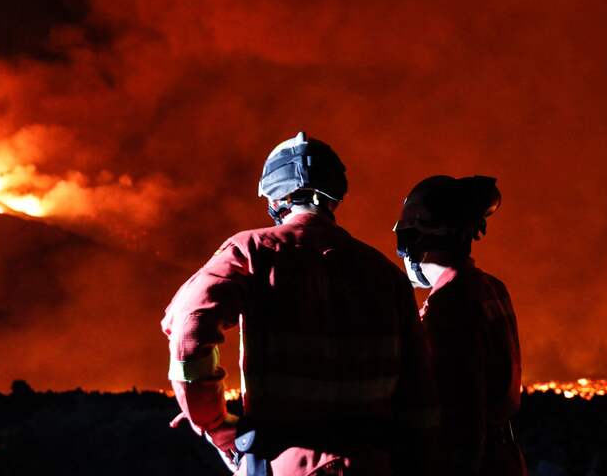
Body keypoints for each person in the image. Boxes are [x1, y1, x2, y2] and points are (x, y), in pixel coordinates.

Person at [162, 132, 437, 475]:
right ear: (336, 196)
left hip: (285, 462)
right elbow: (420, 399)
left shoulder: (250, 252)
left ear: (274, 198)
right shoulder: (387, 275)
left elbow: (190, 327)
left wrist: (213, 421)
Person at [393, 175, 526, 476]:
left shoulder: (448, 304)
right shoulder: (492, 287)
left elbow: (461, 412)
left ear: (416, 240)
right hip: (503, 457)